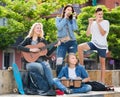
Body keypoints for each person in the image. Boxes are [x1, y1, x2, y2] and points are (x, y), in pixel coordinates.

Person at [17, 22, 56, 95]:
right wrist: (31, 50)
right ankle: (47, 87)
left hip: (40, 61)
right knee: (40, 66)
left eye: (40, 28)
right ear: (33, 29)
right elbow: (19, 47)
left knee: (46, 66)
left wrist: (55, 46)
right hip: (30, 62)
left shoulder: (42, 40)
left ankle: (51, 87)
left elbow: (47, 53)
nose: (39, 29)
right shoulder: (28, 39)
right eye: (37, 28)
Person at [78, 7, 110, 83]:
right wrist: (90, 24)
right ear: (95, 14)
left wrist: (98, 23)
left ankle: (102, 81)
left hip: (102, 45)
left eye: (102, 14)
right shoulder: (93, 23)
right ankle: (82, 67)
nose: (100, 15)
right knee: (80, 47)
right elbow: (88, 34)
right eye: (99, 14)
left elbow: (103, 33)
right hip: (94, 43)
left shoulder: (106, 22)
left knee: (102, 63)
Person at [55, 4, 78, 76]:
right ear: (64, 10)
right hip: (62, 43)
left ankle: (72, 78)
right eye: (68, 9)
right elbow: (59, 27)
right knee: (59, 61)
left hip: (72, 42)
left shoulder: (72, 20)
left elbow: (75, 28)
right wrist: (65, 18)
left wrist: (74, 18)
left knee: (72, 61)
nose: (69, 11)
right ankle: (58, 78)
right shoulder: (58, 19)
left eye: (71, 10)